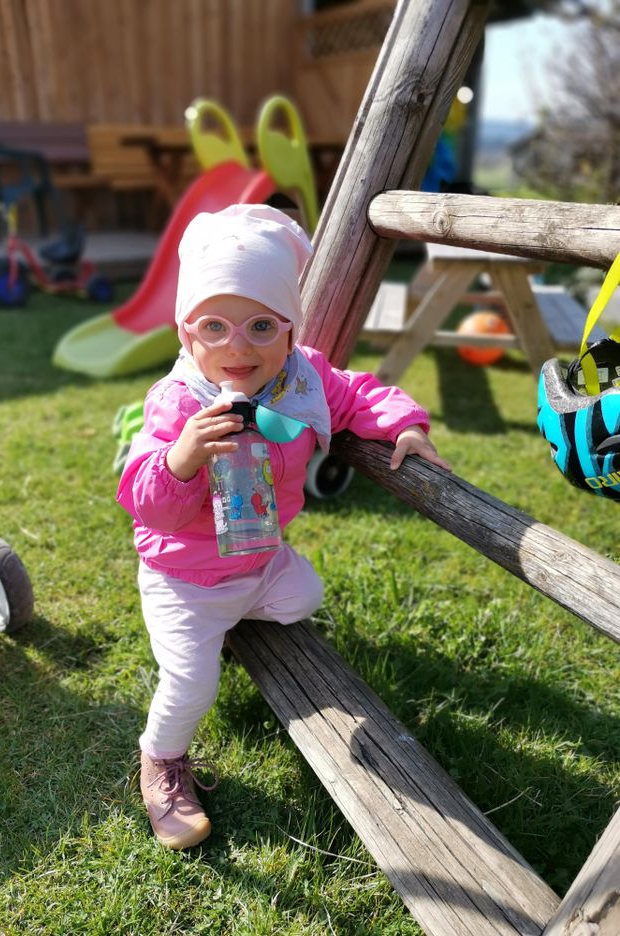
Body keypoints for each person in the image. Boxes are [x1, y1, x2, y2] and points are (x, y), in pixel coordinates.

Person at [116, 204, 450, 849]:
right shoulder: (178, 404)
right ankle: (161, 761)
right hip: (184, 578)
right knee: (191, 684)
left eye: (261, 326)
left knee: (305, 599)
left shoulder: (302, 378)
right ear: (188, 337)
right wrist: (183, 457)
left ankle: (243, 614)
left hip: (260, 556)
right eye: (214, 327)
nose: (237, 348)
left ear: (290, 332)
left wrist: (405, 424)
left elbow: (358, 394)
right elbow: (147, 504)